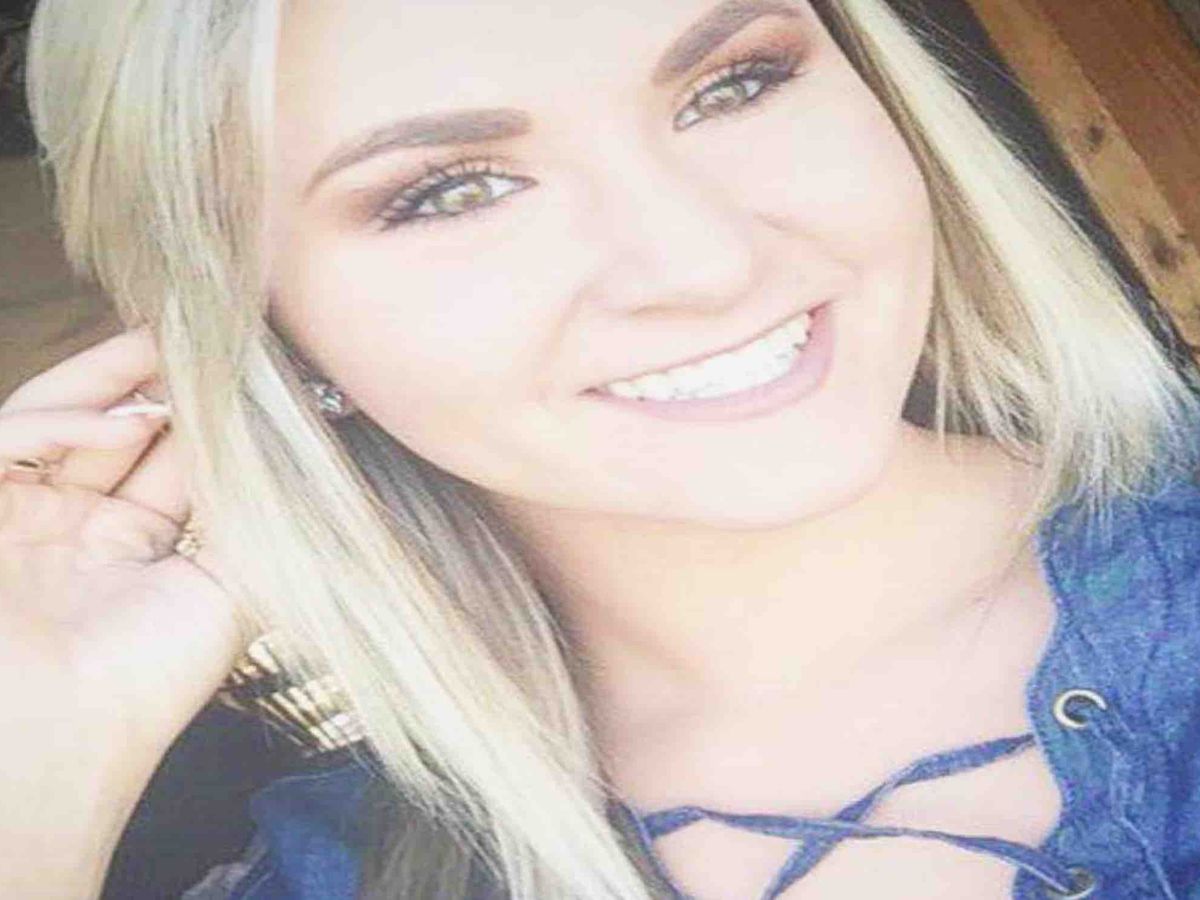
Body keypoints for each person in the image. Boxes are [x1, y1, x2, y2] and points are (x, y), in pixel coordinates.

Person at [3, 0, 1199, 897]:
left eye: (735, 84)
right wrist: (39, 764)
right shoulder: (343, 873)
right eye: (455, 192)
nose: (705, 262)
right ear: (261, 330)